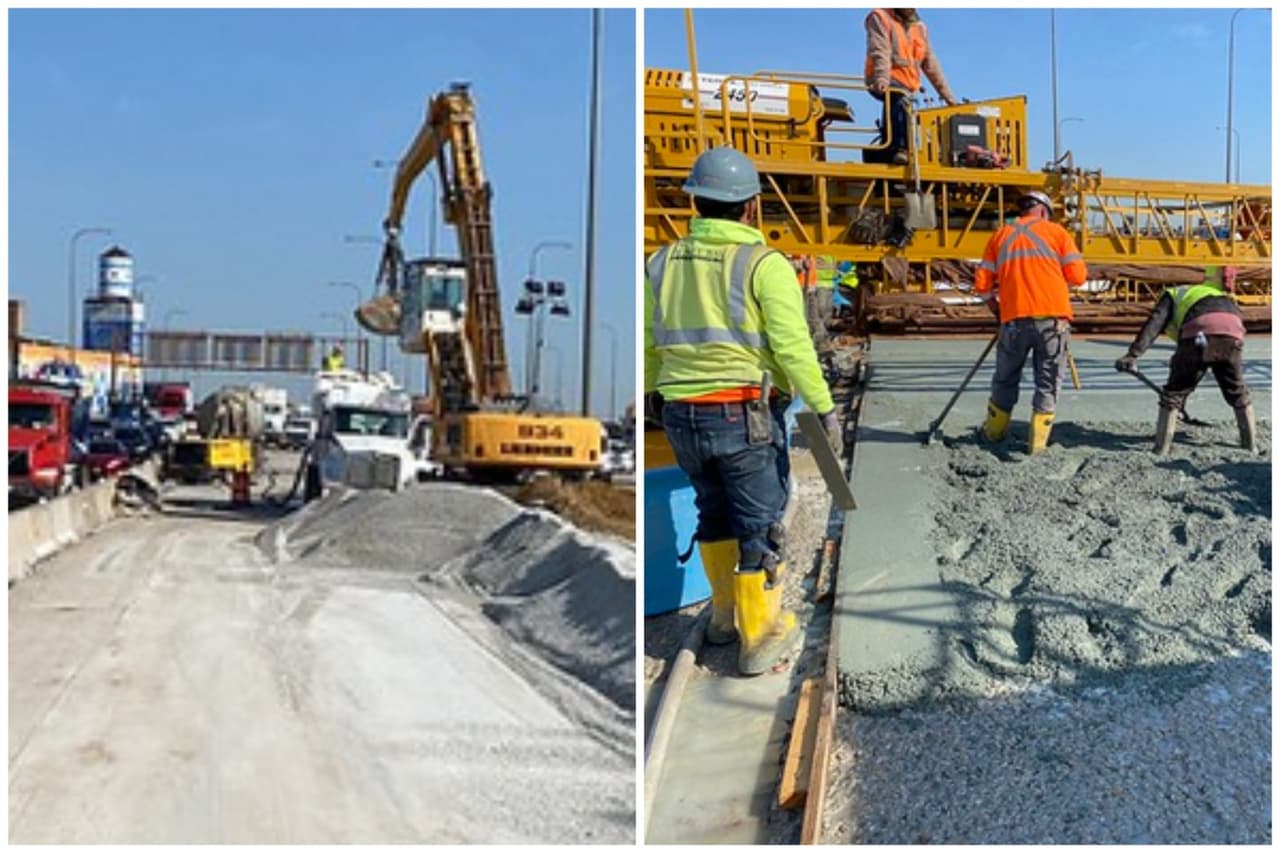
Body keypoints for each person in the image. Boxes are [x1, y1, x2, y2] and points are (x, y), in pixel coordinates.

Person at [644, 147, 839, 676]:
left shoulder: (660, 263)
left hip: (681, 414)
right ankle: (759, 637)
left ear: (695, 202)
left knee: (712, 509)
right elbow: (793, 345)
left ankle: (724, 617)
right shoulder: (762, 264)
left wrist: (650, 395)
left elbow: (647, 344)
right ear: (751, 208)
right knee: (759, 523)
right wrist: (822, 407)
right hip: (742, 414)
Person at [974, 190, 1087, 454]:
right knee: (1047, 381)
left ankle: (994, 433)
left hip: (1013, 321)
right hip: (1052, 321)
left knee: (1005, 378)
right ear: (1044, 212)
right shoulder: (1057, 233)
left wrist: (995, 307)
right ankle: (1036, 445)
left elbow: (982, 283)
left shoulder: (1000, 235)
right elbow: (1079, 276)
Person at [1115, 266, 1256, 454]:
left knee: (1174, 392)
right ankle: (1250, 446)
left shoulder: (1172, 296)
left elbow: (1155, 323)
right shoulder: (1219, 296)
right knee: (1237, 391)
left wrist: (1133, 355)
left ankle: (1161, 449)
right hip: (1233, 333)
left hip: (1198, 333)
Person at [864, 8, 956, 165]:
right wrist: (881, 78)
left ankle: (889, 148)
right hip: (884, 78)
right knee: (898, 98)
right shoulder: (881, 16)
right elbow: (880, 50)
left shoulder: (919, 27)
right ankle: (900, 149)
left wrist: (949, 98)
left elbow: (930, 64)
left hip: (908, 85)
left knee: (902, 107)